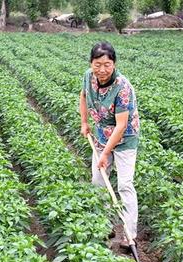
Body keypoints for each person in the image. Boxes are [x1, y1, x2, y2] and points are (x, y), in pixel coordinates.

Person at [79, 41, 140, 249]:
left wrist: (104, 154)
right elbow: (83, 95)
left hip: (124, 139)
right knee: (98, 181)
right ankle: (104, 226)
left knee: (125, 184)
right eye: (97, 64)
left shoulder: (122, 87)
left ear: (114, 64)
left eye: (107, 64)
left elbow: (121, 126)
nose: (102, 70)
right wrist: (85, 122)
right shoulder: (88, 76)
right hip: (101, 134)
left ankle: (130, 235)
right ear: (91, 63)